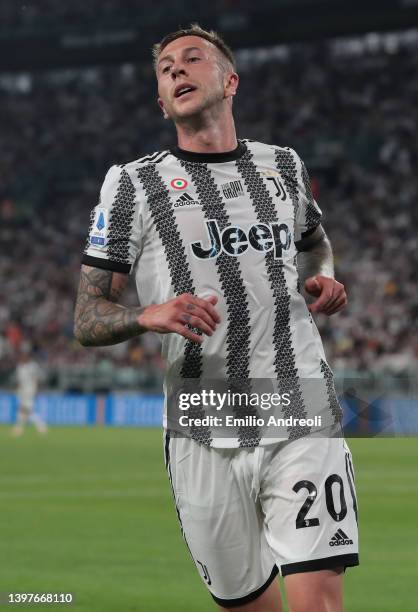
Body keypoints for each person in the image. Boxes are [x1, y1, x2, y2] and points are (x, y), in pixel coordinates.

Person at [74, 24, 358, 612]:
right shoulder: (130, 185)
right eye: (165, 68)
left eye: (191, 58)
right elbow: (87, 317)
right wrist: (147, 316)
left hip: (299, 403)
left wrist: (324, 275)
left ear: (229, 80)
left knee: (318, 603)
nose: (176, 69)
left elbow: (316, 242)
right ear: (160, 101)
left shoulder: (282, 165)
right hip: (202, 422)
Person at [12, 351, 47, 436]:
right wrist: (18, 389)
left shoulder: (33, 366)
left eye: (24, 356)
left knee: (26, 409)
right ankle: (20, 428)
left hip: (30, 390)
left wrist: (36, 390)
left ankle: (39, 425)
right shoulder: (20, 367)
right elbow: (19, 380)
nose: (23, 358)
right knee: (24, 410)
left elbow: (36, 379)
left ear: (28, 357)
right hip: (22, 390)